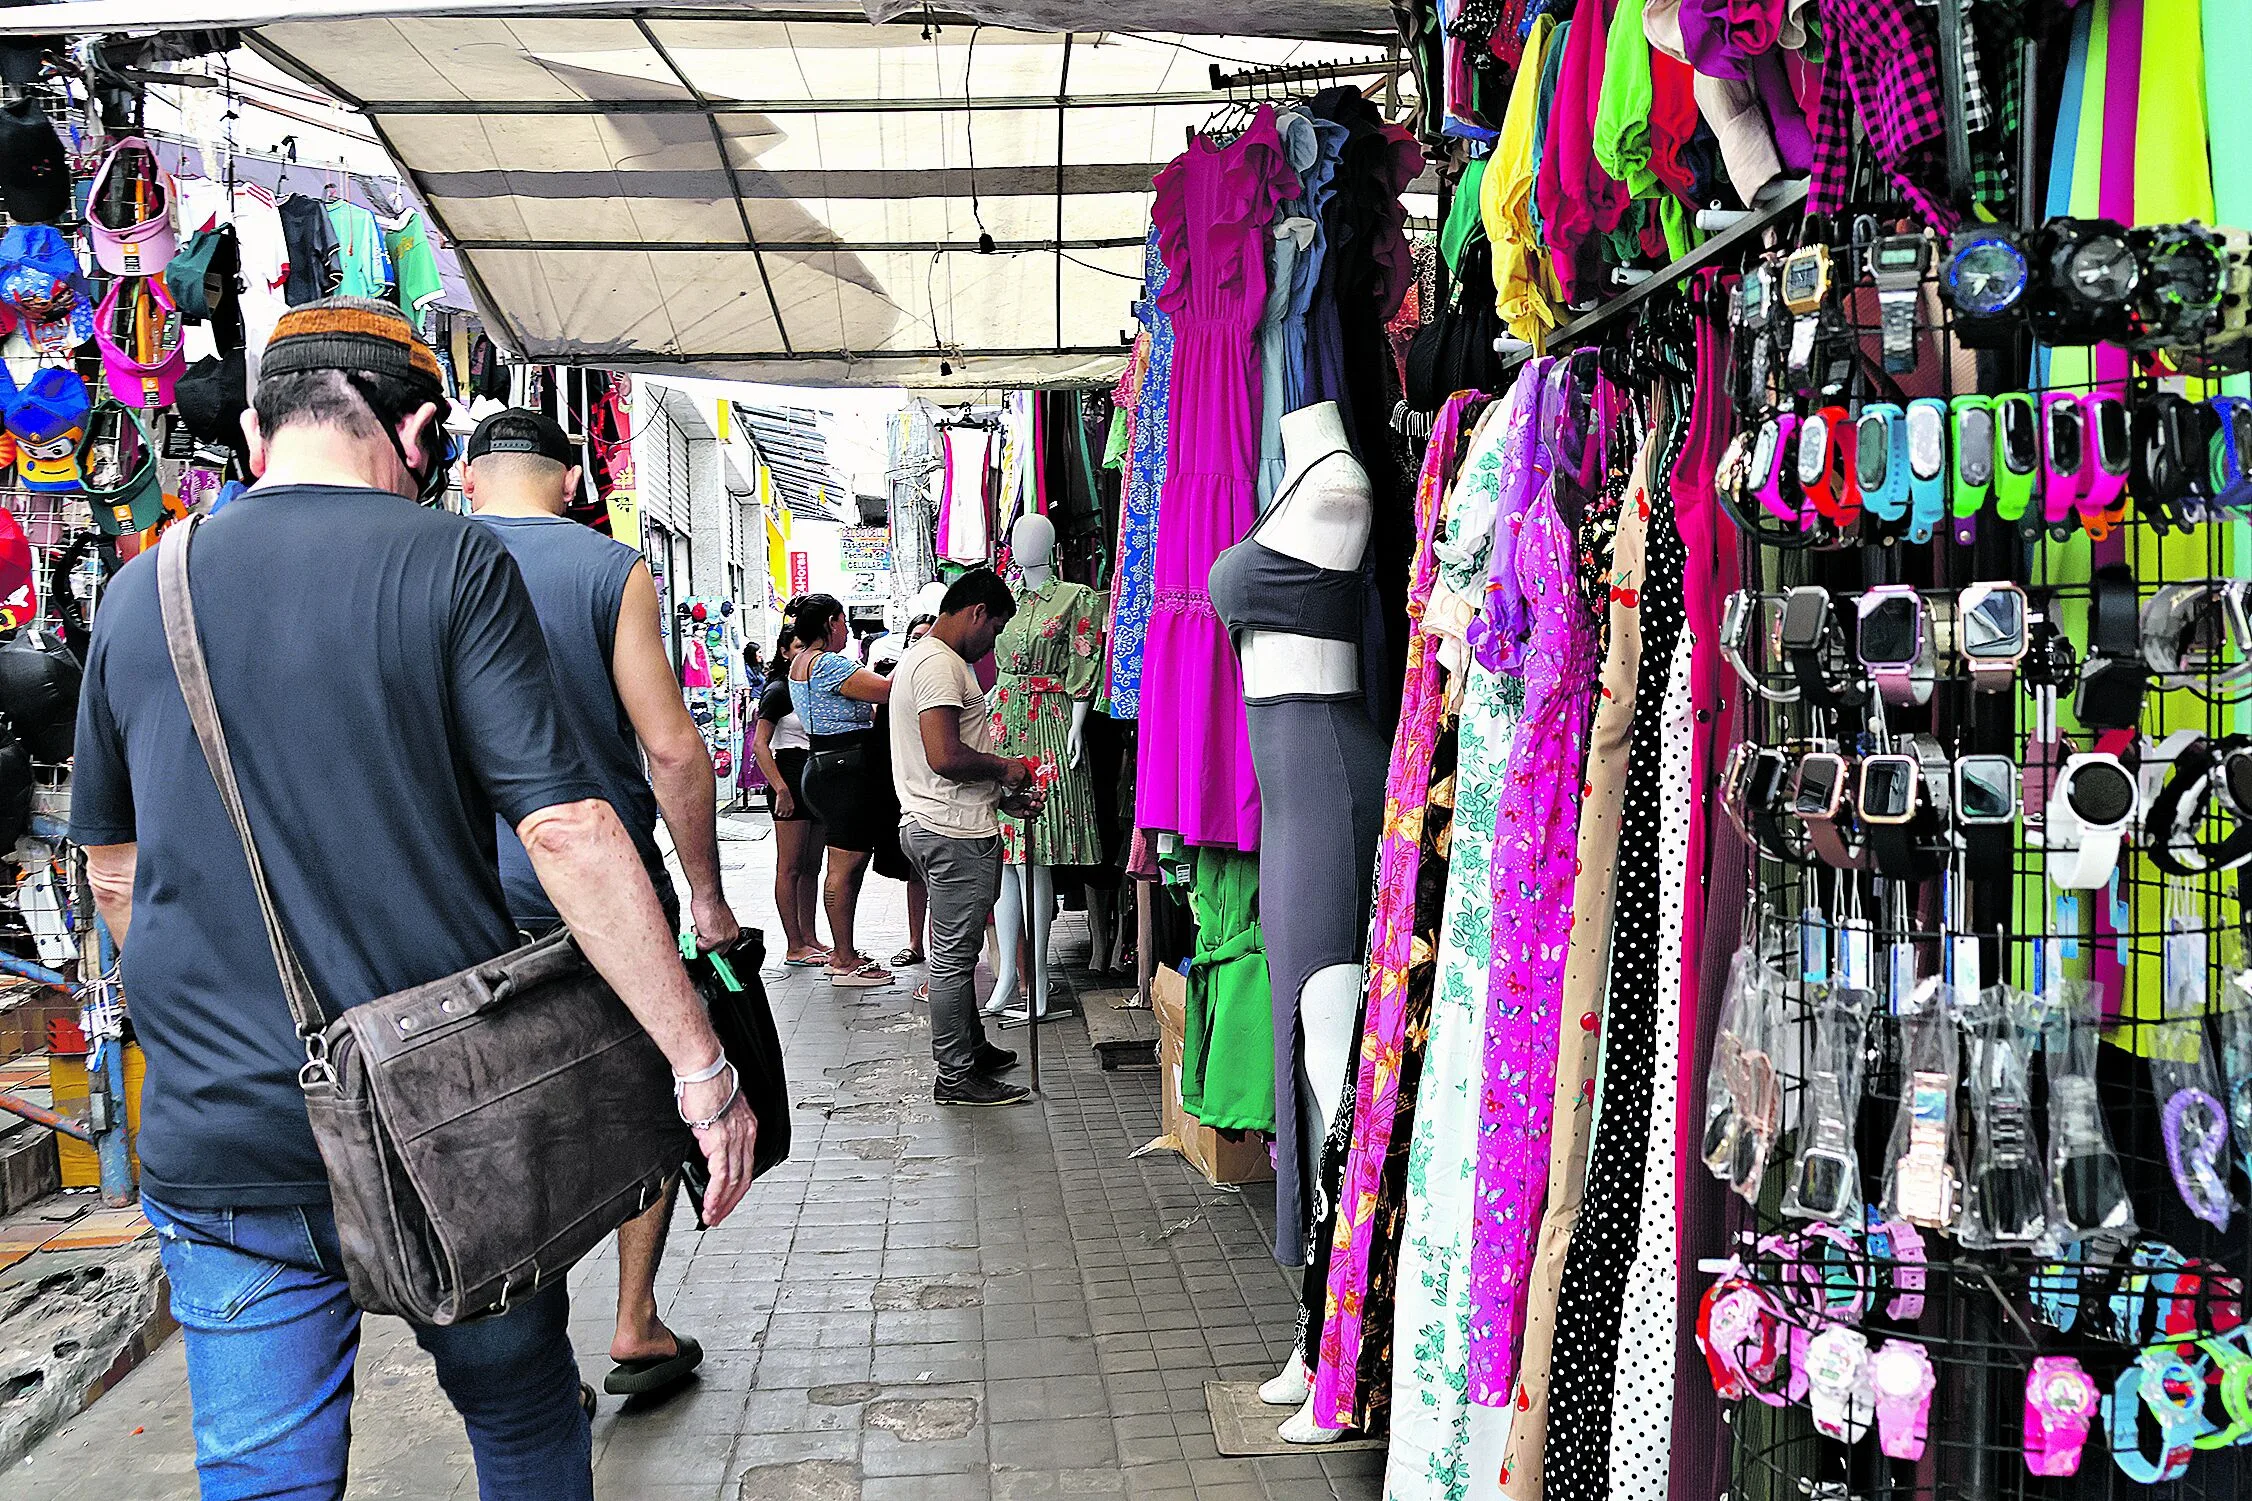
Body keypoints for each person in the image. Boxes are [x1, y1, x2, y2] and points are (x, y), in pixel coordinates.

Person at [70, 298, 755, 1499]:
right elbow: (568, 827)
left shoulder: (142, 591)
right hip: (450, 1123)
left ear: (255, 424)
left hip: (225, 1131)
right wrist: (700, 1065)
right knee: (524, 1418)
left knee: (262, 1473)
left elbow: (115, 871)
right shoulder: (449, 559)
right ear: (420, 426)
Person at [461, 407, 739, 1402]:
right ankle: (633, 1322)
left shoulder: (423, 558)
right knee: (638, 1094)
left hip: (463, 904)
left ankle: (531, 1360)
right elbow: (670, 747)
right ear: (574, 481)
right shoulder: (607, 569)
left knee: (505, 1127)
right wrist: (704, 896)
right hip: (604, 889)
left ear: (466, 473)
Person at [890, 569, 1043, 1107]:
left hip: (940, 821)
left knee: (955, 951)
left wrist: (1001, 795)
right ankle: (955, 1075)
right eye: (996, 628)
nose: (994, 642)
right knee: (954, 960)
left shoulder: (930, 659)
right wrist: (1006, 769)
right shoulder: (938, 665)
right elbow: (945, 757)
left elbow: (943, 765)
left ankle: (971, 1050)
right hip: (950, 832)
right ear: (977, 612)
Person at [786, 593, 901, 988]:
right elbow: (887, 691)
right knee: (844, 867)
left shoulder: (799, 663)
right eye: (842, 622)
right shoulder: (829, 664)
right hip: (844, 767)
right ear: (832, 623)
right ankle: (843, 959)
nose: (846, 630)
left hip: (821, 764)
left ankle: (843, 951)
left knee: (842, 864)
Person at [754, 623, 828, 965]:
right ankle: (794, 944)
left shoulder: (813, 687)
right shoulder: (779, 690)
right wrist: (780, 788)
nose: (806, 655)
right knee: (790, 867)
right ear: (785, 652)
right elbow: (759, 744)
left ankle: (810, 937)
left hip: (815, 779)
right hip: (789, 776)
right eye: (798, 647)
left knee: (813, 865)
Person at [878, 613, 938, 973]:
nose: (920, 643)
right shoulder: (895, 681)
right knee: (915, 870)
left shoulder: (945, 675)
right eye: (914, 637)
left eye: (926, 637)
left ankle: (941, 952)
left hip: (942, 787)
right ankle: (916, 943)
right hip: (907, 788)